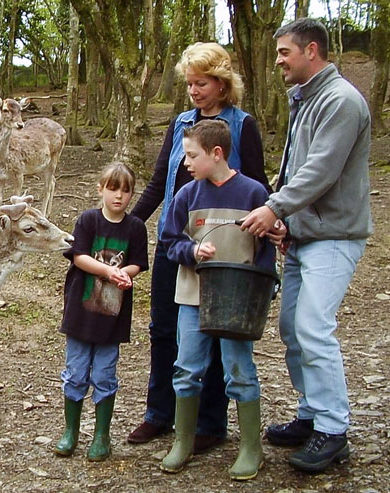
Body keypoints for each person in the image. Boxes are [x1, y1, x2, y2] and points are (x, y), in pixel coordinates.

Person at [241, 18, 372, 473]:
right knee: (293, 330)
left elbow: (321, 171)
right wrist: (288, 224)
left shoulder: (341, 101)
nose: (277, 61)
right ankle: (312, 413)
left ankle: (334, 431)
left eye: (283, 52)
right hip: (304, 236)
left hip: (334, 237)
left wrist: (274, 209)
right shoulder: (308, 100)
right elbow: (296, 168)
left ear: (311, 50)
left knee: (314, 327)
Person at [127, 41, 272, 450]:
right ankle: (160, 413)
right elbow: (161, 182)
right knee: (164, 328)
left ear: (222, 85)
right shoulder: (181, 124)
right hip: (177, 240)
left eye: (202, 82)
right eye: (190, 83)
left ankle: (210, 423)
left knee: (217, 327)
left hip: (225, 247)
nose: (194, 90)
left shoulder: (241, 125)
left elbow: (260, 188)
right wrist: (130, 226)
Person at [159, 120, 276, 480]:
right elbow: (168, 241)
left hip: (237, 301)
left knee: (239, 369)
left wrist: (261, 291)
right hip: (194, 297)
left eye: (192, 155)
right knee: (187, 368)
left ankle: (251, 448)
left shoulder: (254, 194)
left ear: (217, 154)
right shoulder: (186, 196)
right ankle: (183, 441)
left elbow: (266, 250)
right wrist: (192, 250)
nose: (186, 162)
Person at [54, 162, 149, 461]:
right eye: (112, 188)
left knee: (106, 375)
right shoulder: (88, 221)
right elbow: (78, 257)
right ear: (101, 189)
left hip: (112, 317)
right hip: (81, 314)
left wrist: (125, 274)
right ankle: (70, 432)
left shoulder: (136, 227)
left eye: (125, 190)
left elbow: (137, 262)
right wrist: (109, 272)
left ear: (132, 194)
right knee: (76, 372)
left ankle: (101, 436)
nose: (118, 196)